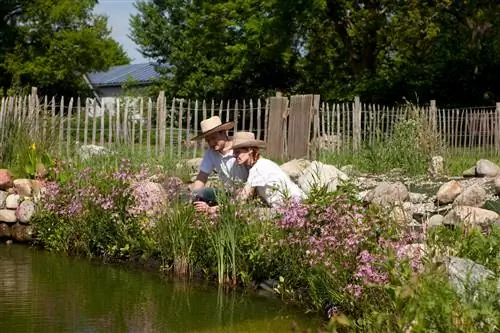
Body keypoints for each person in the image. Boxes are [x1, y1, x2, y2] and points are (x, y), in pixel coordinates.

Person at [189, 116, 249, 213]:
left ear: (223, 132)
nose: (211, 143)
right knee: (197, 194)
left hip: (246, 190)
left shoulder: (239, 148)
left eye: (214, 138)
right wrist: (194, 194)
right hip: (227, 192)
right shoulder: (211, 153)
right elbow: (202, 176)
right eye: (208, 140)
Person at [232, 131, 306, 208]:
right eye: (234, 153)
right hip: (290, 204)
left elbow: (243, 197)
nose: (235, 156)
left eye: (238, 152)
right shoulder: (263, 164)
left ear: (250, 150)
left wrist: (226, 207)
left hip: (294, 204)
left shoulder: (258, 168)